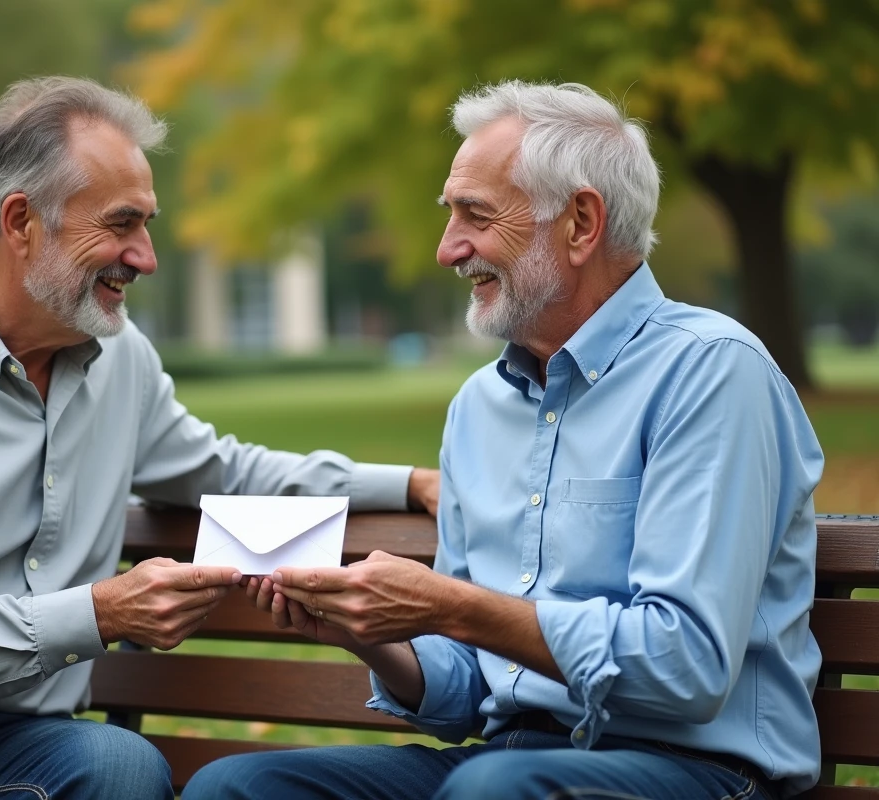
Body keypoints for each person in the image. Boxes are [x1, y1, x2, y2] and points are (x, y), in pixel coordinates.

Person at [0, 76, 440, 800]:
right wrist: (100, 613)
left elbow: (219, 469)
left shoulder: (120, 357)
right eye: (122, 223)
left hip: (19, 737)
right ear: (21, 221)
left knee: (123, 770)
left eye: (147, 224)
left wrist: (408, 484)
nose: (146, 256)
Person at [186, 80, 823, 800]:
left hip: (694, 771)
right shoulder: (479, 405)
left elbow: (686, 668)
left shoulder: (710, 373)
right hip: (508, 763)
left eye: (475, 216)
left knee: (494, 789)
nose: (447, 248)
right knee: (237, 787)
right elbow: (467, 689)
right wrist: (364, 629)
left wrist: (450, 605)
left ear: (581, 223)